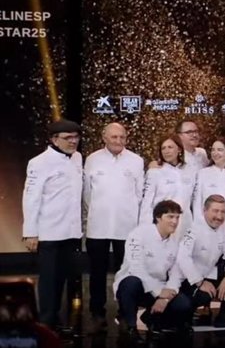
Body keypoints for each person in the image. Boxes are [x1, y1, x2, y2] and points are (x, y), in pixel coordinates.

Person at [82, 122, 144, 333]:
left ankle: (125, 312)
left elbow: (140, 195)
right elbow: (87, 195)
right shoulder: (91, 159)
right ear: (104, 137)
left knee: (125, 271)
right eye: (114, 137)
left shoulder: (136, 161)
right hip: (98, 225)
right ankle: (97, 313)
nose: (118, 141)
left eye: (122, 137)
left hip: (126, 227)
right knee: (97, 272)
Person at [22, 119, 83, 331]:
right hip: (49, 232)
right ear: (54, 139)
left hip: (71, 232)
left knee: (63, 279)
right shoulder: (39, 162)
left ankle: (56, 319)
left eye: (76, 137)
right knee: (48, 280)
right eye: (68, 138)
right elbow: (31, 198)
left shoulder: (77, 158)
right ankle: (46, 322)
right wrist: (30, 232)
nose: (73, 142)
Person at [113, 200, 192, 339]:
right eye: (170, 217)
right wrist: (159, 294)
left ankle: (151, 318)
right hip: (136, 284)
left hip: (158, 289)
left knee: (183, 304)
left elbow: (176, 274)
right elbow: (136, 267)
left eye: (177, 217)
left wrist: (165, 299)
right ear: (158, 217)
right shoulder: (138, 234)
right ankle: (130, 326)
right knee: (131, 283)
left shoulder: (174, 243)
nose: (175, 221)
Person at [175, 195, 225, 328]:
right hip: (189, 279)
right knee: (203, 296)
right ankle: (189, 315)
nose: (219, 216)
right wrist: (199, 281)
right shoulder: (193, 228)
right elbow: (182, 257)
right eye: (215, 211)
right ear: (205, 210)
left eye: (223, 212)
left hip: (210, 272)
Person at [192, 138, 225, 250]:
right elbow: (197, 203)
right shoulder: (203, 174)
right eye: (213, 150)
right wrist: (198, 227)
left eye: (220, 150)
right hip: (207, 227)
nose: (215, 153)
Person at [139, 135, 195, 238]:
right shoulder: (155, 172)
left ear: (179, 149)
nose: (166, 151)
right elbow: (147, 203)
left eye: (170, 147)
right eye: (163, 148)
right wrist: (144, 228)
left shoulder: (190, 171)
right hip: (162, 226)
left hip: (185, 225)